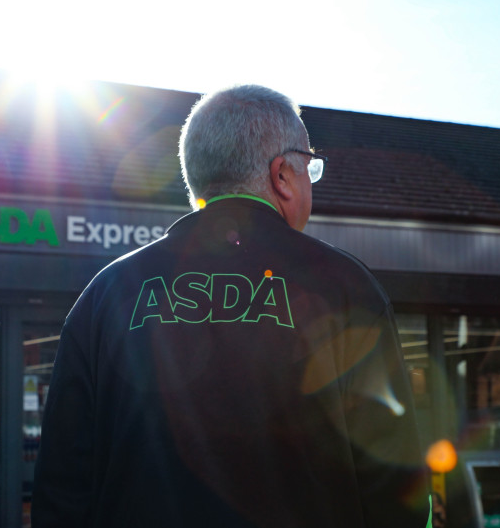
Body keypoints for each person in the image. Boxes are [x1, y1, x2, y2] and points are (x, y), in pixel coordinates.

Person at [32, 84, 431, 528]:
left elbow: (62, 489)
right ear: (281, 175)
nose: (308, 184)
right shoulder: (345, 288)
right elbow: (396, 487)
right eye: (307, 169)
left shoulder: (105, 294)